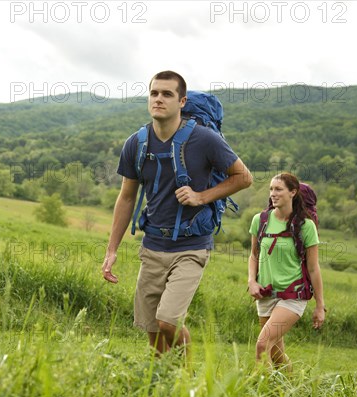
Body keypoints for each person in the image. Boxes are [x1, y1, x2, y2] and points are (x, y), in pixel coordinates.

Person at [101, 70, 252, 359]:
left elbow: (243, 178)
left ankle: (188, 378)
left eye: (167, 94)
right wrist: (111, 249)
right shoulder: (136, 142)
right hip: (153, 246)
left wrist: (201, 196)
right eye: (154, 93)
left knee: (167, 321)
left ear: (181, 101)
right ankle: (163, 382)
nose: (159, 99)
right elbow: (127, 197)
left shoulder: (205, 139)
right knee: (152, 333)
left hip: (191, 247)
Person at [247, 173, 326, 370]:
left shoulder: (306, 226)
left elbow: (313, 267)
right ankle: (292, 387)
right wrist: (251, 281)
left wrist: (319, 305)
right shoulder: (260, 220)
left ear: (293, 192)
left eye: (278, 189)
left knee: (262, 345)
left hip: (293, 295)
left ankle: (258, 390)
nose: (273, 194)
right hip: (266, 293)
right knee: (275, 352)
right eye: (271, 189)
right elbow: (254, 255)